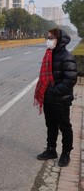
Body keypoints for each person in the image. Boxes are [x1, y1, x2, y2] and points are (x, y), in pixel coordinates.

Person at [34, 28, 77, 167]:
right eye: (48, 37)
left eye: (51, 38)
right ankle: (51, 149)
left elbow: (70, 80)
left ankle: (66, 153)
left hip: (61, 99)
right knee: (51, 125)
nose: (48, 40)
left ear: (60, 40)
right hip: (49, 98)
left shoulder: (67, 57)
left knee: (65, 127)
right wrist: (46, 92)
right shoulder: (49, 55)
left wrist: (53, 90)